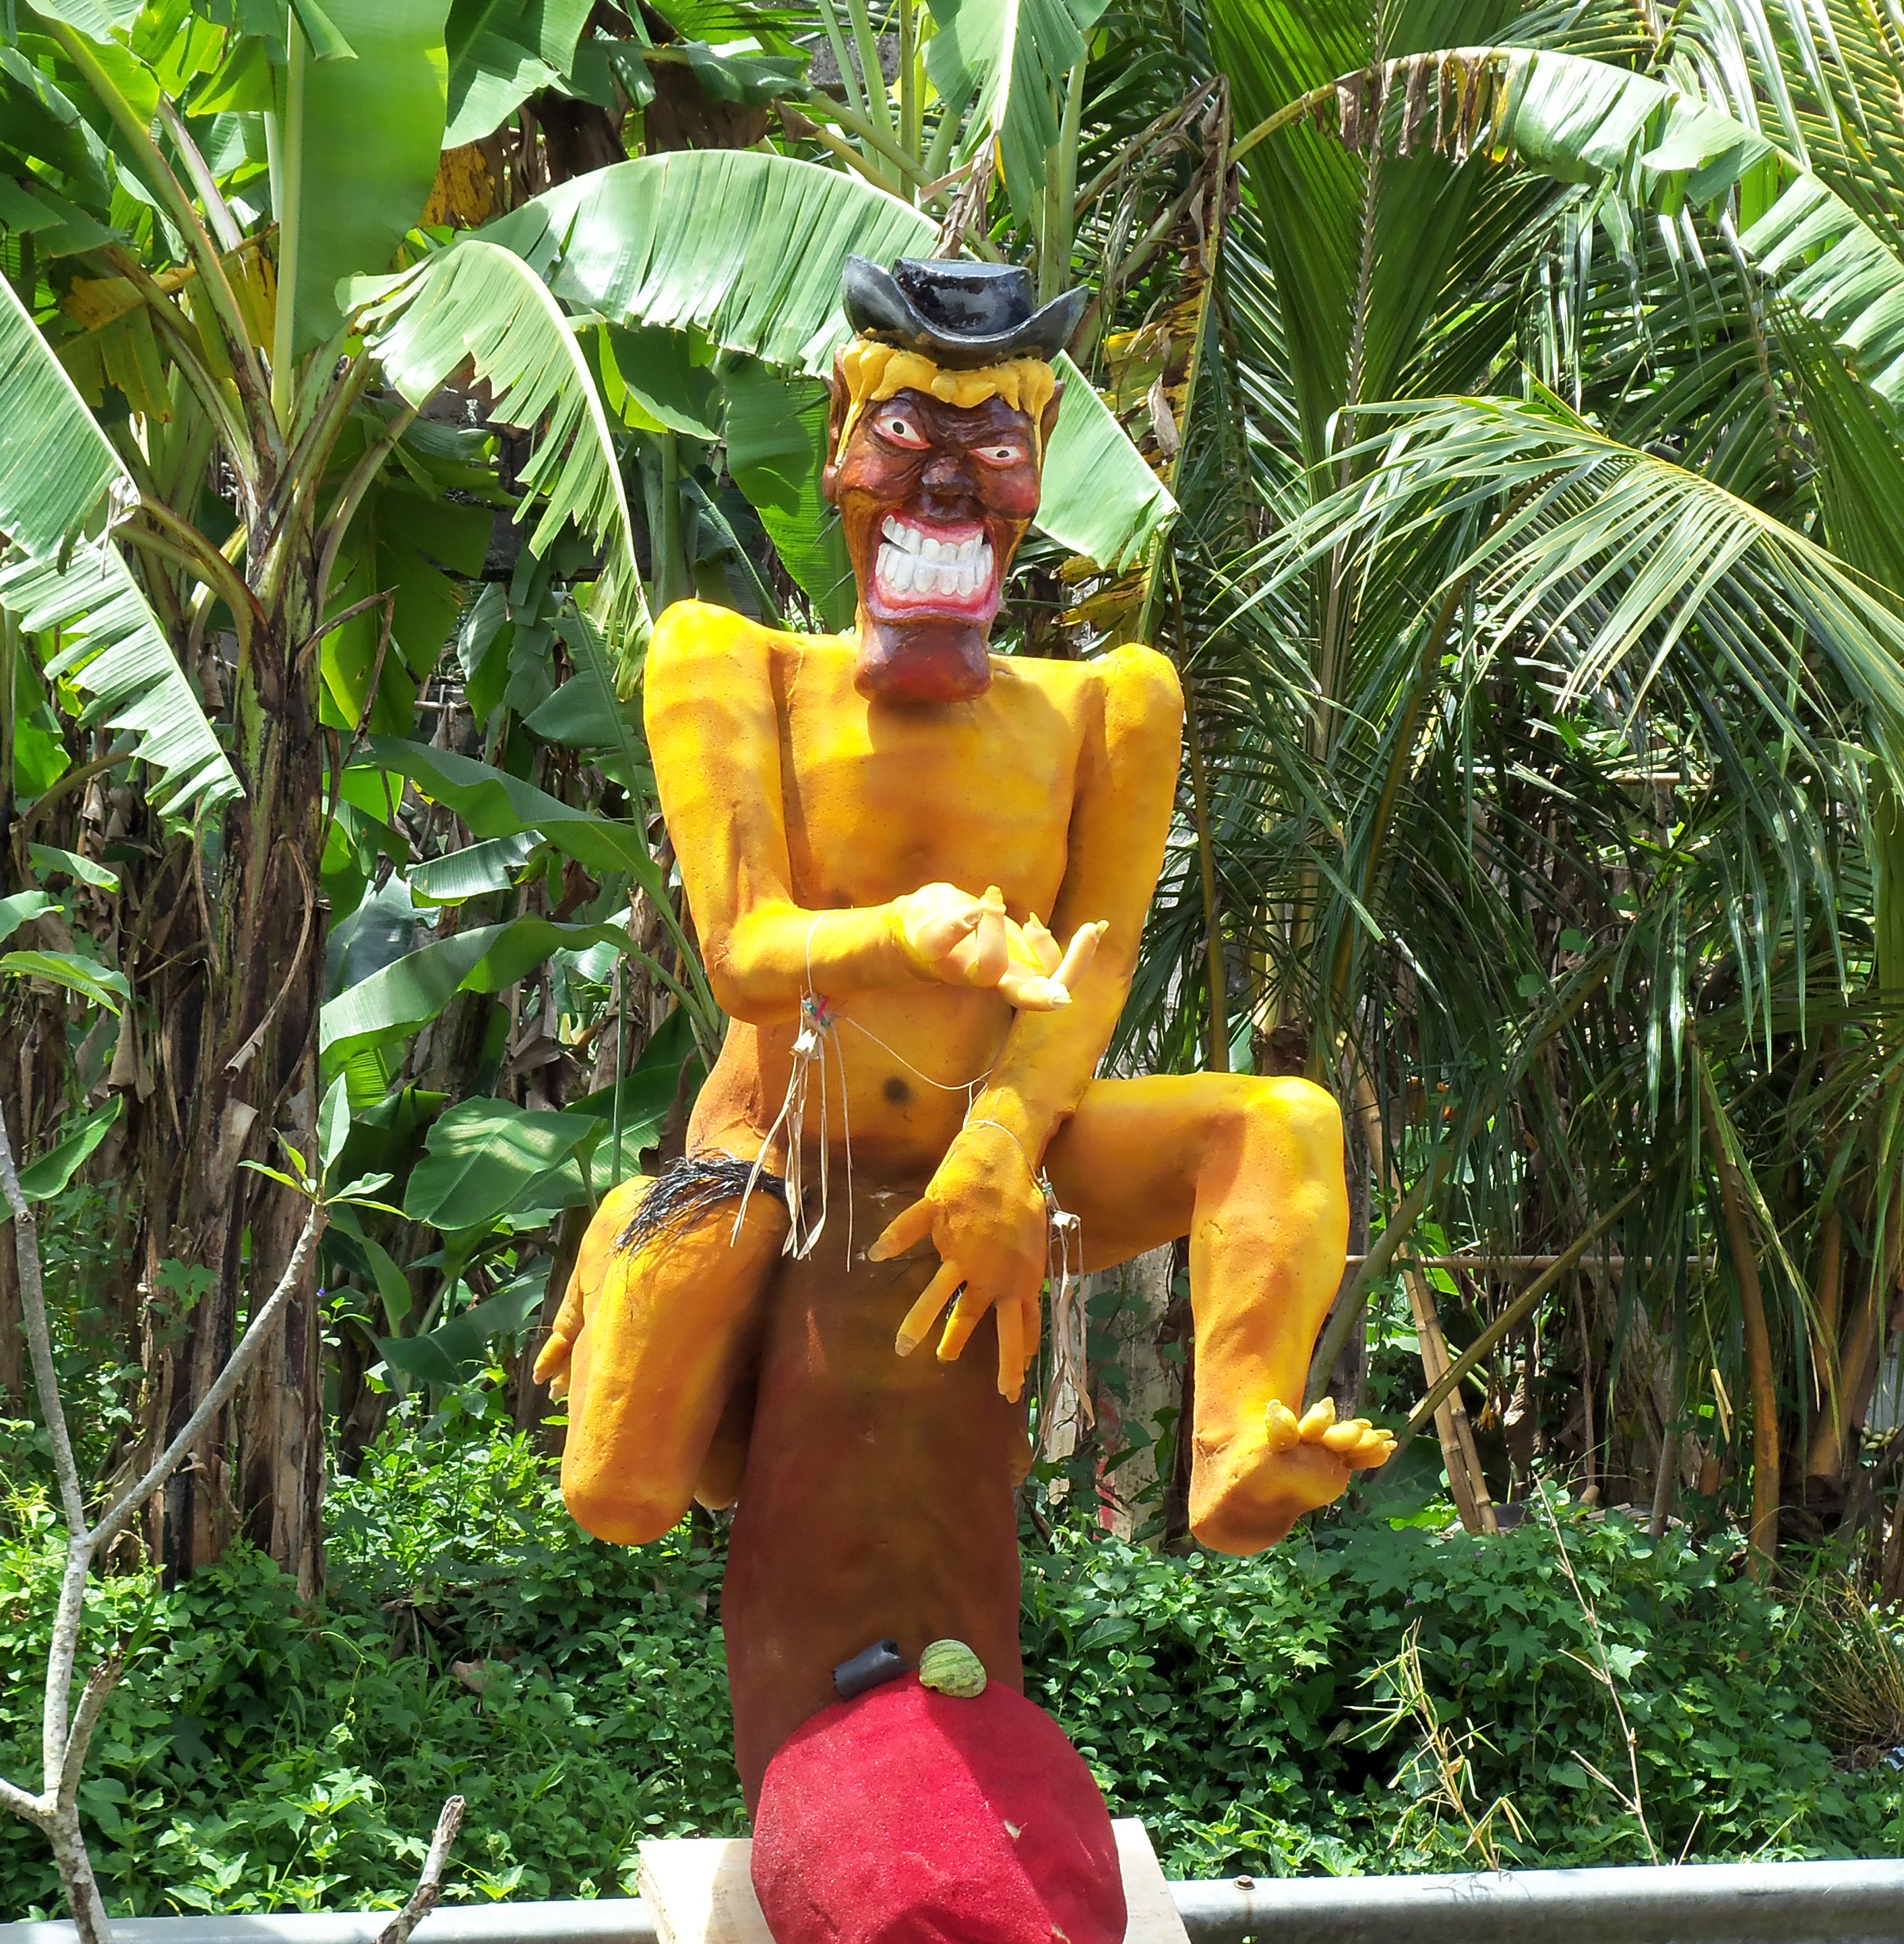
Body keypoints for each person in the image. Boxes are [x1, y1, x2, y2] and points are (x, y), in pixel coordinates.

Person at [533, 253, 1394, 1554]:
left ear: (1036, 474)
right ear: (839, 443)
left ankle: (1237, 1447)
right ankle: (630, 1238)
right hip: (776, 1151)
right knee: (626, 1495)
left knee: (1282, 1121)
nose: (946, 483)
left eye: (992, 448)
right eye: (904, 437)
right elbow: (745, 957)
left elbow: (1096, 966)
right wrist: (907, 933)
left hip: (1004, 1143)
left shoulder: (1113, 704)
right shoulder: (729, 661)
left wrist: (1000, 1142)